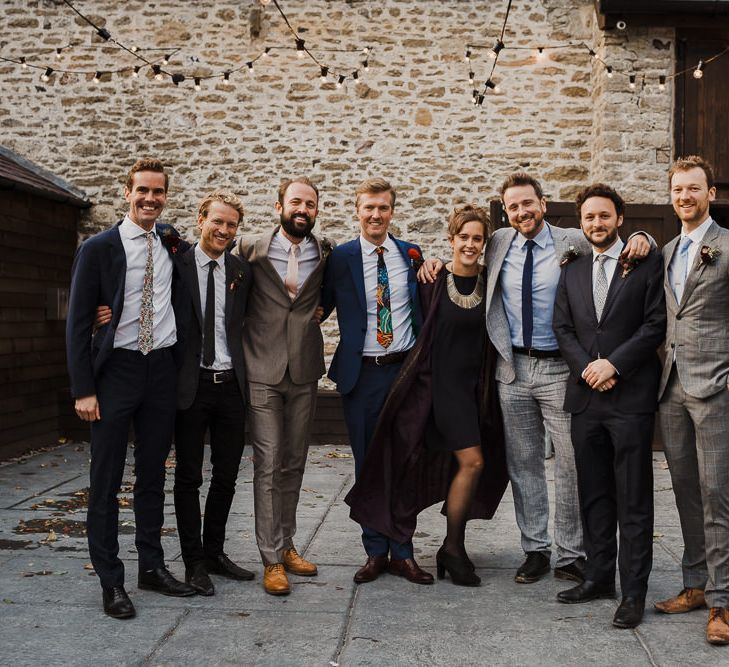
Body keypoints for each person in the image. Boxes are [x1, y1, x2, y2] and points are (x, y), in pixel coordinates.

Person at [419, 172, 652, 585]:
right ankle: (535, 550)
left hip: (562, 369)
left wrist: (644, 238)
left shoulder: (572, 241)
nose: (522, 212)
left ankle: (570, 553)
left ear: (543, 204)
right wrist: (433, 262)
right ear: (506, 212)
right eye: (513, 207)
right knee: (523, 464)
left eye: (528, 203)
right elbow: (463, 250)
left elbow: (610, 244)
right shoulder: (498, 242)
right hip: (512, 371)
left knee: (570, 464)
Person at [345, 205, 509, 587]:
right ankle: (446, 547)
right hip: (436, 389)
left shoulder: (490, 282)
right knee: (469, 462)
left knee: (469, 466)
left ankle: (452, 547)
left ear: (484, 244)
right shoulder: (430, 281)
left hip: (475, 392)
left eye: (477, 239)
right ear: (451, 240)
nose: (470, 244)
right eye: (463, 237)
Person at [66, 158, 195, 620]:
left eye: (158, 192)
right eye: (142, 190)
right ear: (127, 193)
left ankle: (152, 568)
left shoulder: (172, 246)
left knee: (153, 476)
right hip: (114, 373)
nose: (149, 199)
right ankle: (111, 581)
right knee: (104, 482)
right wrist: (84, 389)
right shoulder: (99, 248)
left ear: (165, 197)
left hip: (159, 371)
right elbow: (79, 321)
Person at [553, 184, 666, 629]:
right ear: (581, 224)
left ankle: (633, 592)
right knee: (594, 494)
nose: (596, 224)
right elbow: (562, 328)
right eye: (588, 218)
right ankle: (599, 576)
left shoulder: (645, 261)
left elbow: (655, 323)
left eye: (604, 216)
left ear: (620, 218)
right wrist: (588, 369)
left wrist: (614, 365)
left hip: (630, 397)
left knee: (633, 498)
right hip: (586, 398)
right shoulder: (573, 270)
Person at [321, 177, 433, 586]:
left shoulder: (412, 254)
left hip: (404, 372)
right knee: (368, 465)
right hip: (362, 373)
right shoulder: (342, 258)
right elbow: (317, 306)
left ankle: (403, 553)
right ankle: (375, 551)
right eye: (368, 208)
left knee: (406, 462)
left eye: (383, 208)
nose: (375, 215)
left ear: (392, 211)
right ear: (357, 210)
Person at [236, 177, 328, 596]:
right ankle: (271, 558)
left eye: (309, 204)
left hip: (304, 369)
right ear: (279, 206)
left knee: (294, 462)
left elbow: (340, 290)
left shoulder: (324, 251)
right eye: (295, 202)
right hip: (262, 369)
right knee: (268, 463)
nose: (302, 209)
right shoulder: (250, 249)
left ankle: (288, 544)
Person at [653, 156, 729, 645]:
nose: (685, 197)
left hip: (717, 385)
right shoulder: (665, 251)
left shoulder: (726, 246)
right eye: (678, 189)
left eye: (694, 189)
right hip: (671, 386)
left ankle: (723, 602)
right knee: (684, 489)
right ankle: (695, 583)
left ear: (711, 194)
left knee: (717, 493)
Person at [172, 190, 253, 595]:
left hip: (230, 387)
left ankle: (215, 551)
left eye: (231, 225)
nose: (224, 230)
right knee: (188, 477)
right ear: (201, 219)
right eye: (217, 221)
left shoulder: (240, 270)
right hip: (190, 386)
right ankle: (193, 562)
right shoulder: (178, 263)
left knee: (226, 476)